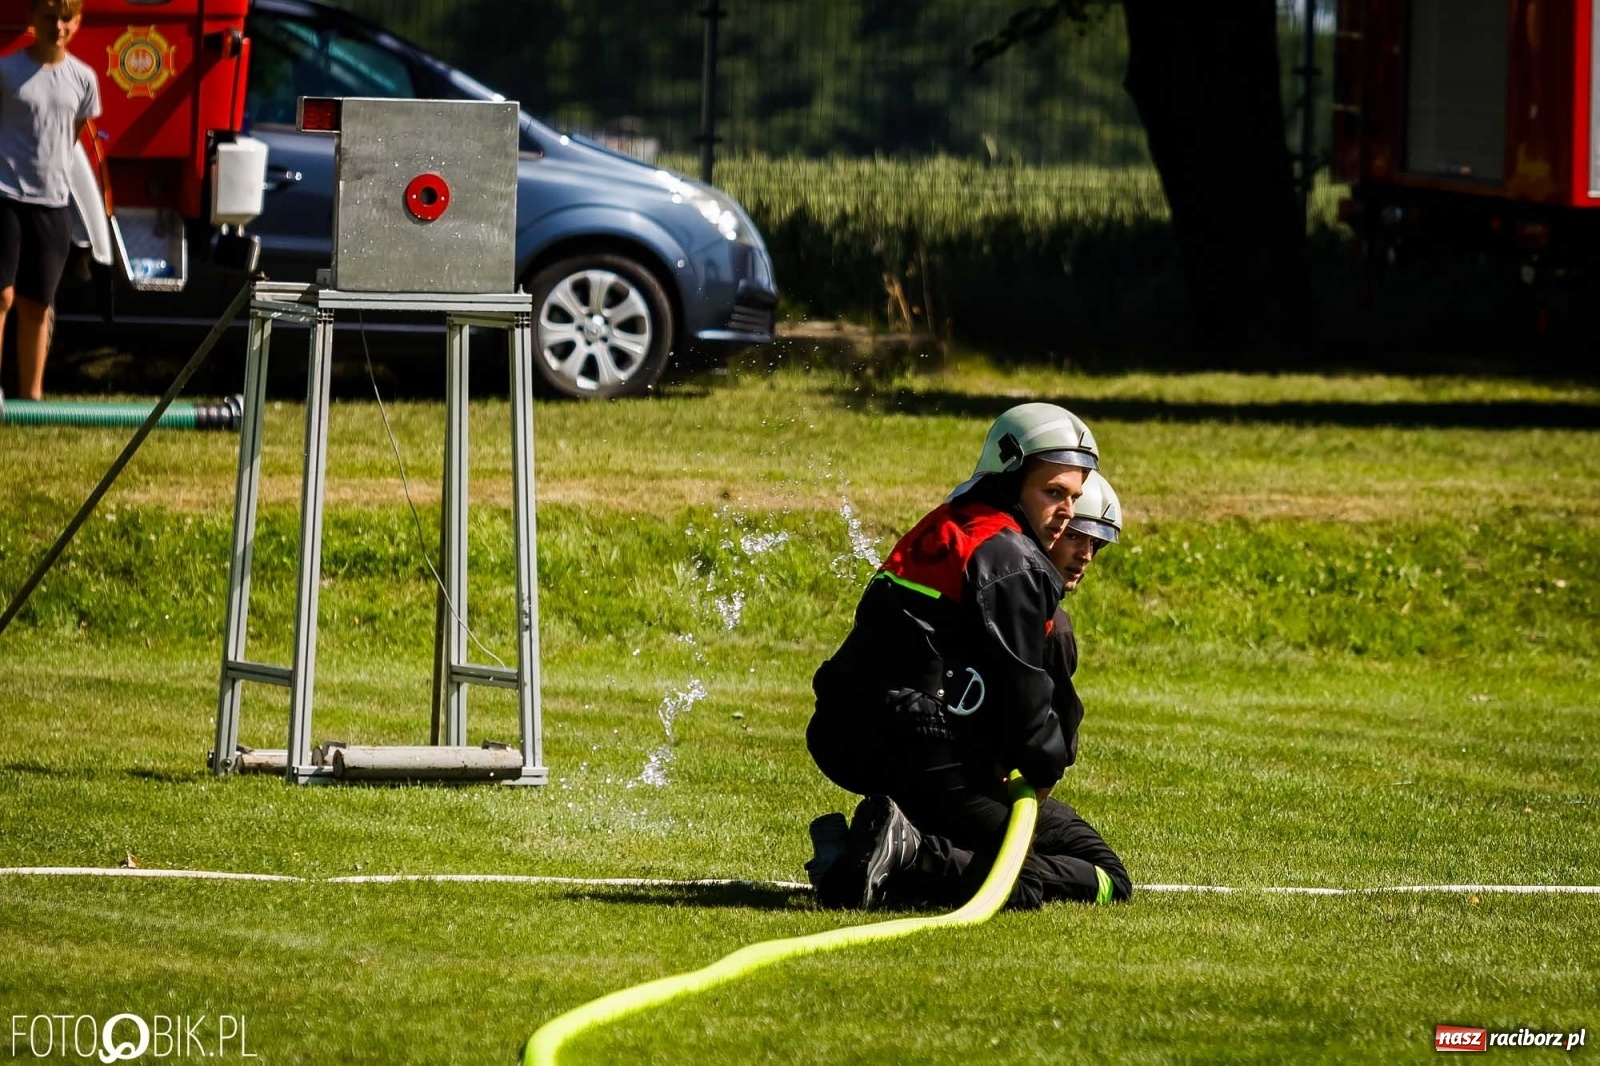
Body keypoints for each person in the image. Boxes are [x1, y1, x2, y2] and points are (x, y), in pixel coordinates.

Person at [806, 402, 1121, 911]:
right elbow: (1025, 696)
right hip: (915, 743)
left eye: (1074, 497)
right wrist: (1039, 772)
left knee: (1089, 860)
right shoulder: (1009, 559)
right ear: (1011, 474)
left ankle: (864, 855)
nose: (1067, 513)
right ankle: (909, 853)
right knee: (1019, 886)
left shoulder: (957, 525)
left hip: (869, 730)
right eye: (1053, 492)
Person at [0, 0, 99, 402]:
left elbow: (71, 133)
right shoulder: (7, 71)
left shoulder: (83, 78)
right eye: (48, 18)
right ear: (31, 21)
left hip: (53, 203)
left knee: (37, 304)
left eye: (65, 18)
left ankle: (31, 398)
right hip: (4, 195)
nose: (57, 26)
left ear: (76, 22)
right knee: (1, 295)